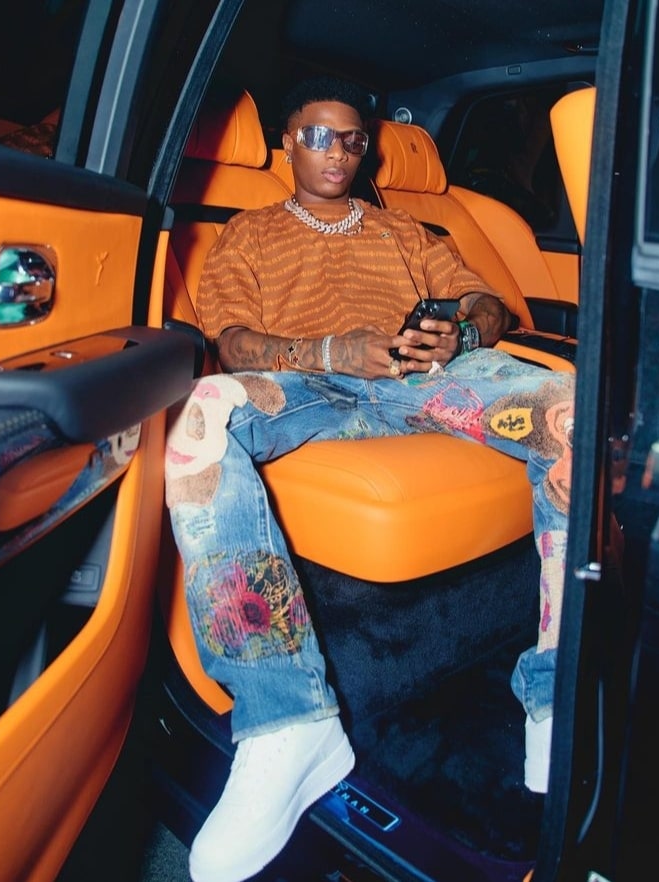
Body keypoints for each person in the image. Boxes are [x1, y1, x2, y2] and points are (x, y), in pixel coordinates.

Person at [165, 76, 574, 882]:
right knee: (203, 414)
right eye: (319, 135)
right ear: (289, 142)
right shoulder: (248, 232)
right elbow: (233, 343)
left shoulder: (403, 229)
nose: (337, 153)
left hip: (421, 381)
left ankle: (556, 693)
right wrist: (330, 351)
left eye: (352, 139)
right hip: (312, 387)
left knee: (570, 410)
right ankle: (288, 721)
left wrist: (459, 334)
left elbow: (488, 304)